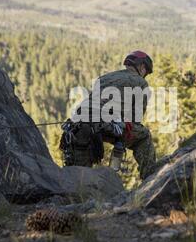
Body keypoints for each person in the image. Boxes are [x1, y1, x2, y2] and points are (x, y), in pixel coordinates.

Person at [60, 50, 156, 179]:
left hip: (77, 124)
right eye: (147, 72)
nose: (145, 75)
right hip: (104, 124)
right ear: (142, 67)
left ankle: (71, 195)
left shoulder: (106, 77)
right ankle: (150, 179)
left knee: (77, 177)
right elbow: (135, 119)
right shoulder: (140, 82)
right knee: (144, 137)